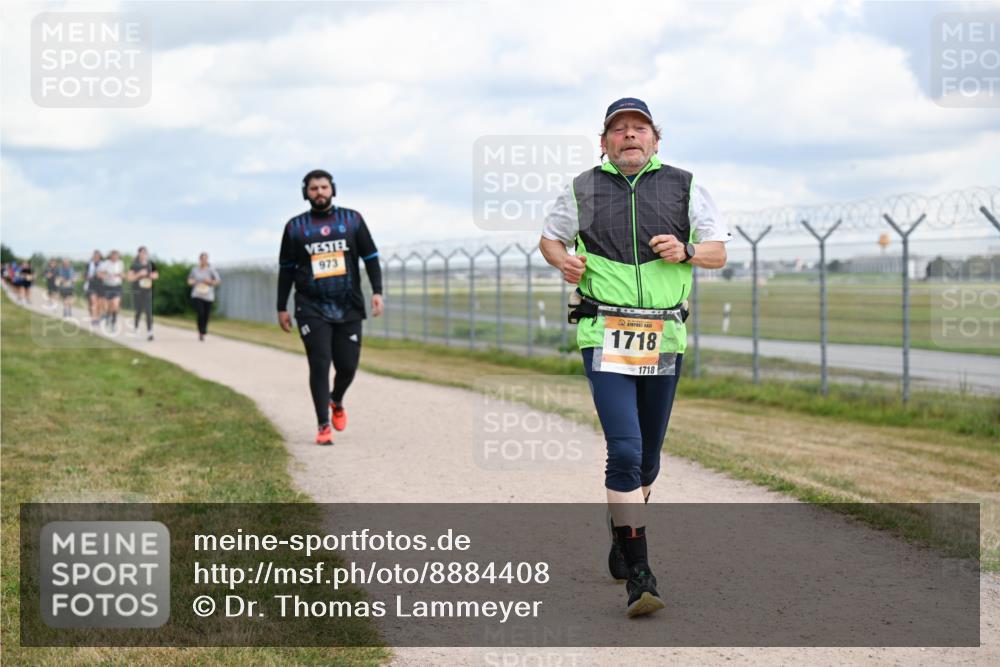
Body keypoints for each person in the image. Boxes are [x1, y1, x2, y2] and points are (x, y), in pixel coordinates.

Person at [539, 97, 730, 618]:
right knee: (623, 450)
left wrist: (687, 251)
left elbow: (718, 251)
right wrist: (565, 261)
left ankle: (622, 532)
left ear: (655, 139)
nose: (629, 136)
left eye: (639, 129)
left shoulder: (685, 185)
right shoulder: (581, 188)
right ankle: (641, 575)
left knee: (647, 461)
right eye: (618, 130)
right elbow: (549, 241)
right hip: (605, 331)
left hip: (663, 336)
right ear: (603, 142)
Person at [277, 169, 384, 446]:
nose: (319, 193)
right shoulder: (295, 227)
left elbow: (371, 257)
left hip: (348, 304)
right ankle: (322, 425)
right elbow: (286, 270)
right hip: (310, 306)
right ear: (305, 193)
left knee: (347, 366)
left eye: (324, 187)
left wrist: (377, 291)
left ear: (332, 189)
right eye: (313, 189)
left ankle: (336, 400)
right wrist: (281, 306)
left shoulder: (352, 220)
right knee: (320, 362)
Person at [128, 246, 159, 340]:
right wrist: (139, 274)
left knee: (149, 311)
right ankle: (136, 329)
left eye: (145, 252)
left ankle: (150, 332)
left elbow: (156, 275)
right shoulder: (134, 265)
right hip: (137, 290)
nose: (144, 254)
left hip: (148, 290)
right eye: (142, 252)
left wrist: (149, 275)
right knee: (138, 311)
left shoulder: (151, 264)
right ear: (139, 253)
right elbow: (129, 278)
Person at [187, 252, 220, 341]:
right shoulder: (194, 270)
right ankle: (201, 331)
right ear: (200, 259)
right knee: (200, 313)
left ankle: (204, 327)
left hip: (208, 295)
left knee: (206, 314)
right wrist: (192, 282)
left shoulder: (212, 270)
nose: (204, 261)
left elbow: (217, 281)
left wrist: (210, 281)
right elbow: (189, 280)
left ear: (207, 260)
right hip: (197, 294)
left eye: (205, 259)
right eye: (202, 259)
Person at [99, 250, 125, 331]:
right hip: (107, 286)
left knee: (115, 304)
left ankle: (113, 323)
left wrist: (121, 275)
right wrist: (105, 276)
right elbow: (100, 274)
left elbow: (123, 274)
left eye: (116, 256)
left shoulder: (120, 263)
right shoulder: (105, 263)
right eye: (113, 256)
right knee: (109, 305)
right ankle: (107, 316)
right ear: (110, 256)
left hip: (117, 286)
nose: (115, 257)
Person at [84, 250, 104, 327]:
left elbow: (106, 275)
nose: (96, 257)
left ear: (100, 257)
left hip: (101, 286)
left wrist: (102, 275)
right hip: (91, 285)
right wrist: (88, 277)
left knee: (99, 304)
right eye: (95, 256)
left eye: (98, 256)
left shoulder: (103, 264)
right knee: (93, 302)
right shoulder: (89, 264)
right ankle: (93, 319)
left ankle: (97, 318)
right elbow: (85, 275)